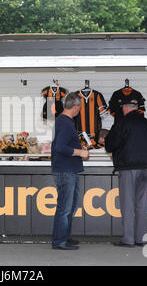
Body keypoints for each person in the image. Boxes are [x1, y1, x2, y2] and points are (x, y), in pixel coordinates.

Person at [105, 97, 147, 247]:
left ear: (125, 108)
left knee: (128, 204)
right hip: (144, 168)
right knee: (141, 203)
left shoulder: (122, 123)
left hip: (128, 168)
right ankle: (141, 238)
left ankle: (128, 239)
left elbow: (110, 145)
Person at [51, 92, 89, 250]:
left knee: (70, 206)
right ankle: (60, 241)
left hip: (67, 169)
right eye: (79, 108)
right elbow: (59, 147)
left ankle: (63, 237)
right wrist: (80, 152)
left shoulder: (62, 121)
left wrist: (80, 149)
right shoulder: (66, 123)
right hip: (66, 171)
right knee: (65, 207)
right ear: (76, 107)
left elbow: (61, 145)